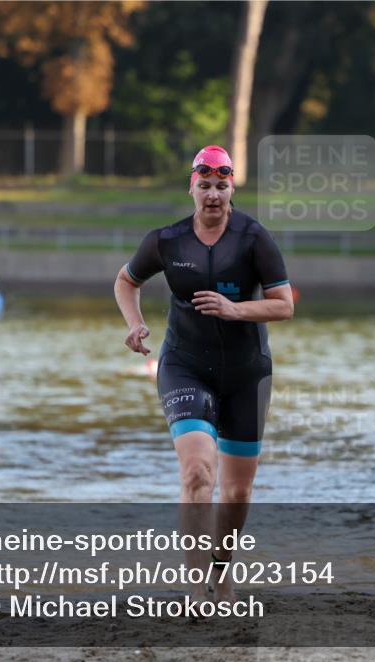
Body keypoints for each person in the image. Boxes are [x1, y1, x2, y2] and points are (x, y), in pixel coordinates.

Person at [114, 145, 293, 604]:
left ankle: (220, 572)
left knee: (236, 489)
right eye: (204, 186)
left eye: (221, 186)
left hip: (246, 373)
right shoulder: (166, 241)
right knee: (197, 472)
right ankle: (196, 587)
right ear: (191, 187)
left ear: (231, 188)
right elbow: (126, 281)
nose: (213, 195)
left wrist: (235, 309)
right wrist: (134, 324)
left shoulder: (254, 238)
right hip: (185, 366)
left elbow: (284, 304)